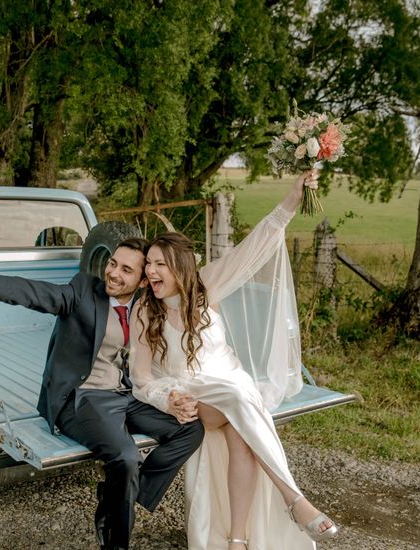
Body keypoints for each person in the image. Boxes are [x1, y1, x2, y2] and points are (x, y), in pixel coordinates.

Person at [0, 237, 203, 550]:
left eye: (126, 269)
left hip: (126, 395)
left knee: (190, 429)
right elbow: (33, 293)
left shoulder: (146, 304)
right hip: (82, 398)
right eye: (112, 263)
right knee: (125, 456)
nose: (113, 273)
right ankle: (116, 541)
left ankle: (121, 495)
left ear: (142, 281)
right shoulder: (82, 291)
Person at [130, 171, 338, 550]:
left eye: (159, 263)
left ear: (180, 267)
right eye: (149, 265)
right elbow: (140, 377)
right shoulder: (146, 310)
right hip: (196, 395)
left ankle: (238, 540)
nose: (151, 271)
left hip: (233, 385)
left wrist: (293, 198)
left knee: (242, 434)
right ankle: (295, 500)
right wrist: (167, 399)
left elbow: (254, 246)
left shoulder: (206, 288)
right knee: (241, 400)